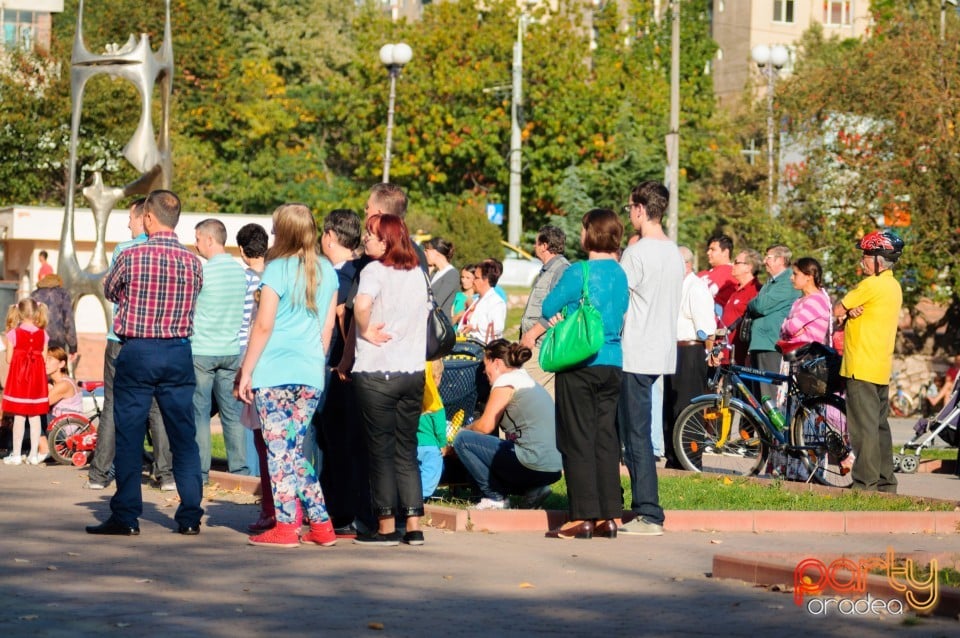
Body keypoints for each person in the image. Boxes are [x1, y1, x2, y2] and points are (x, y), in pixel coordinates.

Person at [88, 189, 204, 537]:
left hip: (137, 350)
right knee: (183, 435)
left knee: (129, 432)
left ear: (149, 218)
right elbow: (194, 294)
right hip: (178, 351)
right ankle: (189, 517)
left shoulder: (132, 255)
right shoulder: (192, 262)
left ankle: (126, 515)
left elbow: (110, 290)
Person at [236, 203, 339, 548]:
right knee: (293, 452)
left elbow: (263, 325)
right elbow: (327, 330)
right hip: (310, 371)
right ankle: (322, 524)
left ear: (284, 232)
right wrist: (314, 363)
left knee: (279, 452)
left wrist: (247, 371)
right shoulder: (327, 271)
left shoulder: (276, 269)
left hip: (275, 369)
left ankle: (286, 527)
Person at [542, 209, 628, 539]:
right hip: (612, 362)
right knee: (605, 438)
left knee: (578, 438)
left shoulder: (580, 271)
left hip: (580, 363)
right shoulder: (620, 274)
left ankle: (583, 517)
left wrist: (566, 313)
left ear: (589, 234)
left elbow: (549, 307)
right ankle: (610, 515)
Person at [351, 213, 429, 546]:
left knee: (381, 450)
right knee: (406, 449)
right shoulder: (418, 273)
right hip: (412, 371)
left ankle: (385, 527)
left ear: (387, 240)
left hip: (377, 370)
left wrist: (366, 329)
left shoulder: (374, 270)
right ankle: (413, 525)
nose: (366, 240)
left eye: (371, 235)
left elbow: (361, 304)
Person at [86, 198, 173, 492]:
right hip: (156, 340)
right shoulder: (169, 253)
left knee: (112, 404)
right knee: (156, 407)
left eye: (131, 218)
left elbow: (111, 289)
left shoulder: (125, 250)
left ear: (144, 218)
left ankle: (100, 474)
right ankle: (165, 474)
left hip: (120, 339)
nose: (128, 224)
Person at [617, 181, 684, 536]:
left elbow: (619, 301)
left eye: (630, 207)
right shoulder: (673, 252)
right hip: (660, 352)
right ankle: (620, 502)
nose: (629, 213)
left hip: (635, 353)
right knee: (633, 431)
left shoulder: (638, 253)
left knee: (636, 436)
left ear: (642, 209)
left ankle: (648, 512)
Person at [832, 230, 904, 493]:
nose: (862, 261)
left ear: (878, 260)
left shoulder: (870, 285)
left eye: (865, 256)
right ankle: (886, 482)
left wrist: (847, 311)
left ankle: (864, 484)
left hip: (860, 366)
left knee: (863, 430)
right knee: (879, 428)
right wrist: (851, 312)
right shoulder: (893, 286)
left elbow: (837, 310)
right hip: (880, 366)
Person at [453, 339, 563, 511]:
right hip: (553, 468)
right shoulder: (524, 378)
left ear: (496, 363)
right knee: (503, 448)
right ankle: (534, 489)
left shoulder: (505, 382)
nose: (484, 371)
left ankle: (495, 498)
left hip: (532, 462)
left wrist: (461, 431)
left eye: (485, 365)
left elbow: (485, 426)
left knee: (463, 440)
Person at [318, 208, 375, 538]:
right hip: (356, 367)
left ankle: (340, 511)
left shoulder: (341, 276)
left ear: (329, 236)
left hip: (340, 366)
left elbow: (343, 318)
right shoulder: (363, 269)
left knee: (336, 443)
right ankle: (344, 509)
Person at [192, 218, 249, 482]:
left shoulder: (202, 272)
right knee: (231, 414)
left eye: (198, 238)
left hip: (202, 350)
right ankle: (239, 469)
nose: (196, 244)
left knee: (200, 413)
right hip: (231, 349)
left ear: (210, 239)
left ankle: (201, 472)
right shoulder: (240, 272)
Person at [234, 223, 276, 534]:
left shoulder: (250, 281)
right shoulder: (279, 274)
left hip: (254, 357)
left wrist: (245, 367)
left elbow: (252, 325)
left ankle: (271, 506)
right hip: (278, 361)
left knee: (259, 434)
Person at [663, 246, 716, 468]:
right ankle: (674, 456)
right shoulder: (677, 286)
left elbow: (706, 326)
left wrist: (710, 352)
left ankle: (690, 458)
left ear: (686, 264)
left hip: (690, 350)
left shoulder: (696, 287)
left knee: (687, 406)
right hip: (673, 349)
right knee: (672, 406)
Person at [519, 225, 570, 396]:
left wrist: (531, 335)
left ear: (545, 245)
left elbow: (558, 310)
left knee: (522, 394)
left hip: (541, 348)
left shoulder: (561, 269)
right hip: (534, 347)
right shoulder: (548, 269)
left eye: (536, 243)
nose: (534, 246)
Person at [746, 244, 800, 400]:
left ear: (781, 260)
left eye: (768, 257)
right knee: (760, 397)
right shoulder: (772, 282)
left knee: (768, 397)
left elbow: (760, 306)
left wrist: (752, 303)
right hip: (761, 344)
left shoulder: (788, 281)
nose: (764, 261)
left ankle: (772, 425)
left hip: (771, 345)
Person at [2, 299, 49, 465]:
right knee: (35, 415)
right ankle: (34, 455)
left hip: (19, 379)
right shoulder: (44, 334)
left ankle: (16, 454)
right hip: (37, 380)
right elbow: (43, 358)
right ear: (37, 312)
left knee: (19, 416)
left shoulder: (12, 334)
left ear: (19, 313)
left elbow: (8, 359)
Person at [718, 249, 762, 365]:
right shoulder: (735, 291)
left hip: (741, 359)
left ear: (748, 267)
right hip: (724, 355)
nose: (733, 264)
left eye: (737, 262)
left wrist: (749, 353)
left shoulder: (756, 291)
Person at [779, 257, 832, 351]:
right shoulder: (799, 300)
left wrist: (788, 327)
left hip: (808, 358)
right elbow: (783, 331)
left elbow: (792, 327)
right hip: (795, 356)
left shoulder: (817, 300)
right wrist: (788, 328)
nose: (791, 278)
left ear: (809, 276)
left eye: (795, 274)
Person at [417, 360, 446, 500]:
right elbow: (439, 426)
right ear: (437, 377)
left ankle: (410, 494)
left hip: (414, 444)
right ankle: (421, 496)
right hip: (431, 445)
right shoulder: (435, 401)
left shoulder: (414, 398)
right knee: (431, 471)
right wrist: (443, 443)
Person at [459, 258, 506, 344]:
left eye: (476, 278)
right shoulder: (478, 299)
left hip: (484, 350)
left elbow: (497, 327)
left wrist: (475, 327)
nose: (473, 281)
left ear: (486, 280)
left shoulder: (496, 302)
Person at [31, 274, 77, 356]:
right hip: (57, 340)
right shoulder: (63, 294)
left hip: (37, 339)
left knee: (39, 367)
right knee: (57, 367)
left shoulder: (34, 295)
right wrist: (73, 347)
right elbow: (68, 320)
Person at [697, 234, 737, 312]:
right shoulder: (702, 273)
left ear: (725, 252)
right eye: (708, 249)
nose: (708, 253)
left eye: (713, 249)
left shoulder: (733, 273)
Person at [423, 237, 459, 319]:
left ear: (435, 252)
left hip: (440, 326)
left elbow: (437, 302)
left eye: (426, 250)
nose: (424, 253)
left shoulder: (452, 274)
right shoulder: (435, 273)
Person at [46, 347, 82, 417]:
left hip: (68, 426)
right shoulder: (52, 382)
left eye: (50, 359)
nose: (45, 362)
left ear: (61, 364)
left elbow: (40, 405)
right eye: (45, 358)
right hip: (58, 423)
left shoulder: (64, 384)